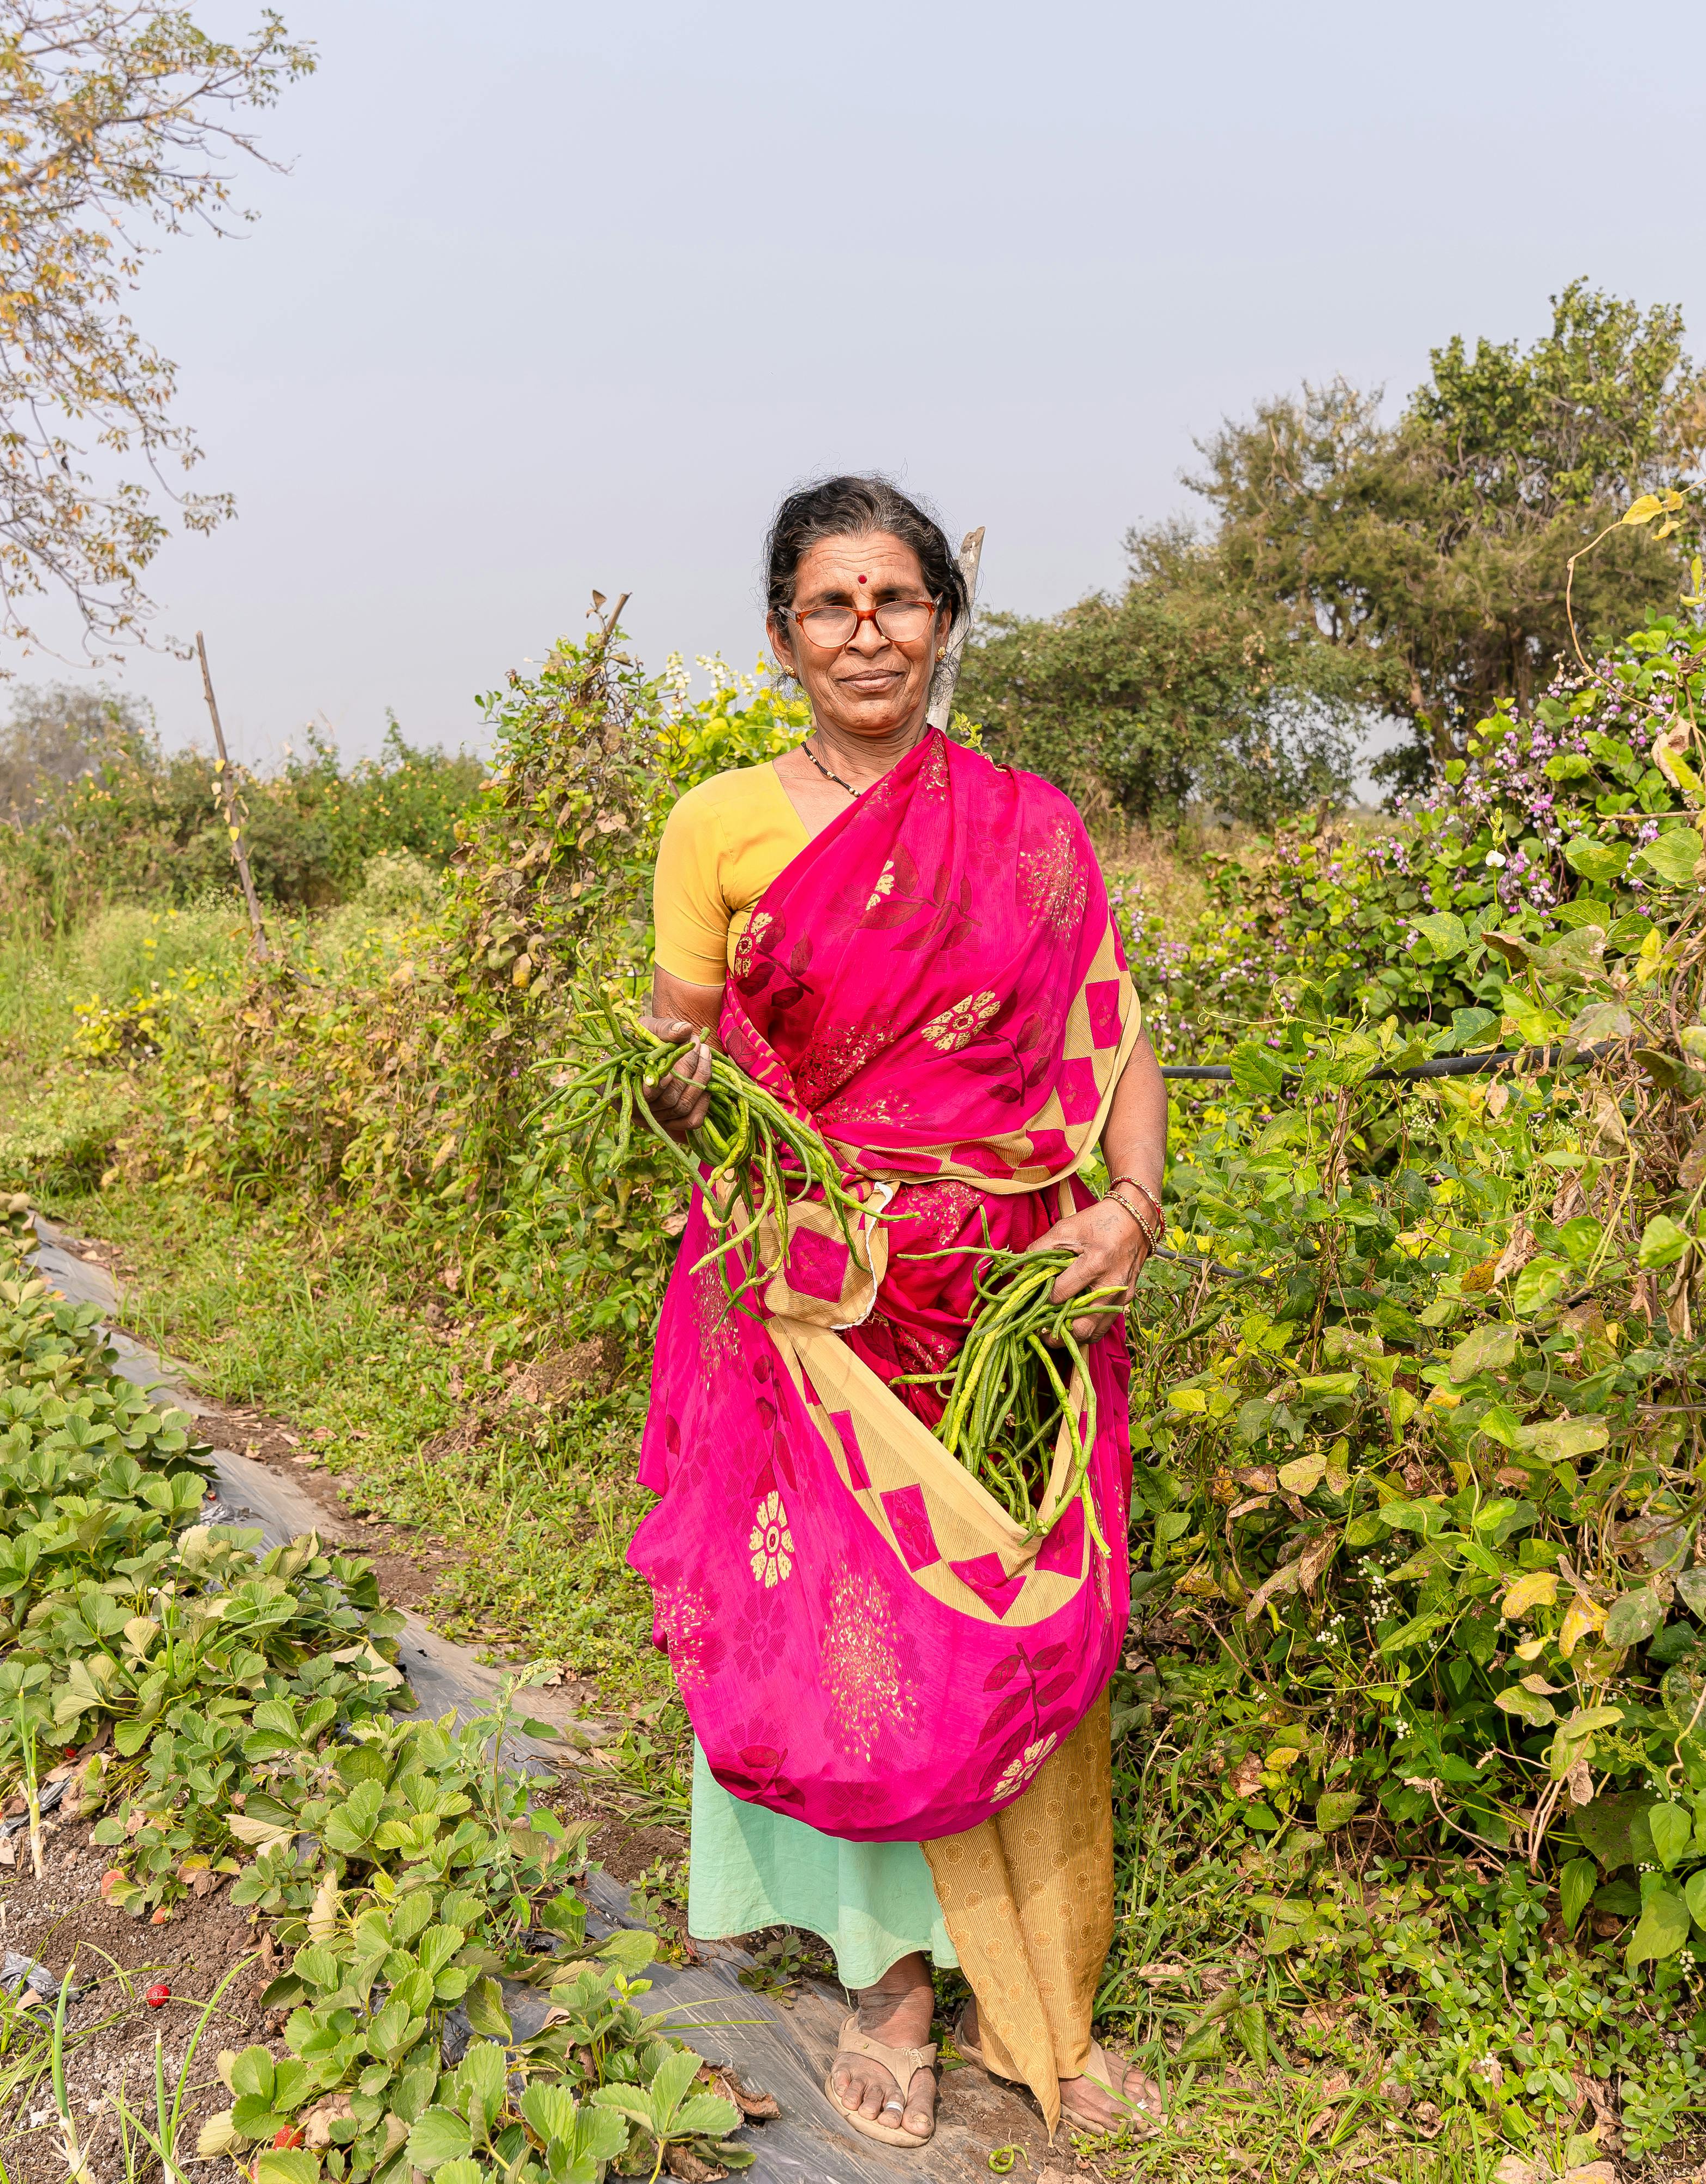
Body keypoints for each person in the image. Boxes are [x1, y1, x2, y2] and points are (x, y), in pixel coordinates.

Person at [626, 475, 1171, 2148]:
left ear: (943, 619)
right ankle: (892, 1984)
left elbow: (1116, 1041)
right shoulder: (723, 821)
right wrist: (752, 1156)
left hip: (1008, 1291)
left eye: (897, 599)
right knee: (860, 1643)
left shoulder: (1024, 822)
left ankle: (1040, 1997)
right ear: (783, 634)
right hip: (816, 1304)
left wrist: (1131, 1209)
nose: (867, 631)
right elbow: (672, 1059)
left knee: (1015, 1632)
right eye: (830, 604)